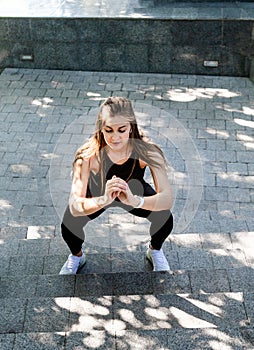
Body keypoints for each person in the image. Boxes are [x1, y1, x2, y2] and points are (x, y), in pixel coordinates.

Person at [60, 96, 173, 274]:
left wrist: (136, 201)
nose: (115, 137)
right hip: (99, 193)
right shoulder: (87, 156)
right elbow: (75, 204)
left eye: (122, 130)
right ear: (100, 128)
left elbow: (166, 198)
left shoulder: (148, 151)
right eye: (109, 130)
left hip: (133, 190)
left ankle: (155, 250)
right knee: (69, 223)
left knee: (165, 217)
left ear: (131, 127)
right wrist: (103, 200)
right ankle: (77, 256)